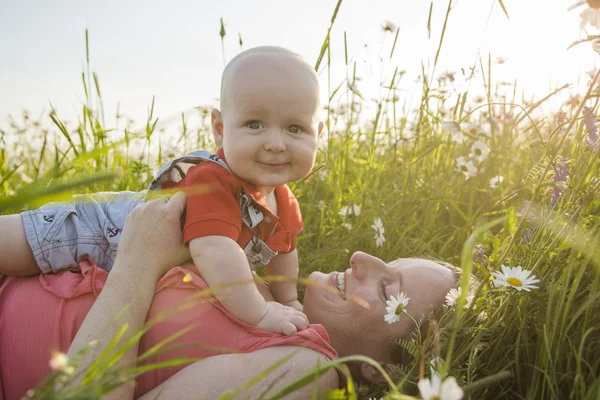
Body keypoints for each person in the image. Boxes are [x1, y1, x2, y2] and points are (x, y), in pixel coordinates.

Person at [0, 193, 458, 399]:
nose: (361, 257)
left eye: (386, 289)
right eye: (388, 263)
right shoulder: (273, 302)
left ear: (382, 373)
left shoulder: (307, 371)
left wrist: (139, 260)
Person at [0, 45, 325, 336]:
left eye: (294, 128)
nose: (275, 144)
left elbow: (284, 253)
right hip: (95, 230)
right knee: (15, 246)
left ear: (318, 134)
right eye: (254, 124)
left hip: (132, 266)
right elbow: (214, 250)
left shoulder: (283, 200)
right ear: (219, 130)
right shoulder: (212, 179)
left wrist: (288, 299)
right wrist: (260, 311)